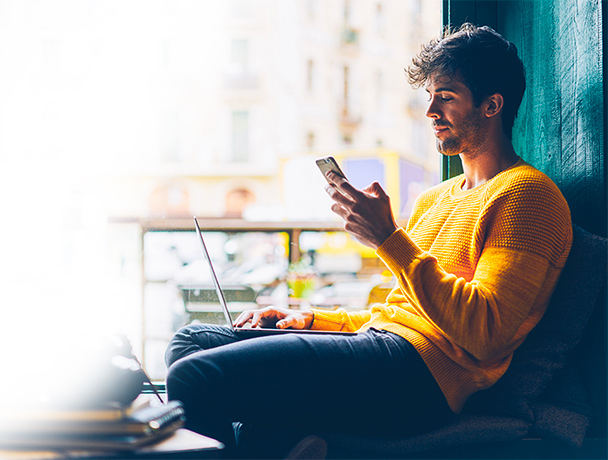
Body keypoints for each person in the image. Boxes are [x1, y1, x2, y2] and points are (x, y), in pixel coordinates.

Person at [164, 24, 572, 458]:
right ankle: (283, 441)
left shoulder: (526, 195)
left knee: (196, 377)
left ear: (492, 105)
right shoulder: (436, 198)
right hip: (381, 349)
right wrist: (311, 320)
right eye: (430, 96)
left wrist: (388, 238)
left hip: (420, 381)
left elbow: (485, 333)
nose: (430, 110)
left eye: (446, 96)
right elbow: (391, 313)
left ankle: (278, 437)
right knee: (189, 343)